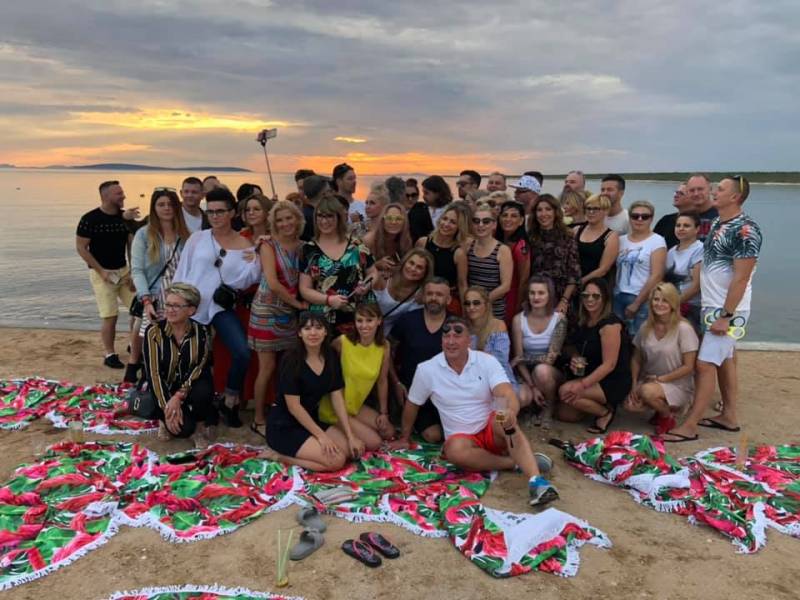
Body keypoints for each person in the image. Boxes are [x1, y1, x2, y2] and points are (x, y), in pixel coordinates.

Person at [393, 315, 559, 507]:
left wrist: (510, 412)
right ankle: (515, 462)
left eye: (457, 335)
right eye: (446, 336)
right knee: (453, 451)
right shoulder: (426, 370)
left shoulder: (486, 361)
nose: (451, 341)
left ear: (469, 340)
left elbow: (504, 392)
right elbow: (412, 404)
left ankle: (537, 482)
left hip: (491, 429)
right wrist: (404, 437)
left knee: (505, 420)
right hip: (462, 439)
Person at [664, 176, 762, 443]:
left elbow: (741, 278)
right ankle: (729, 415)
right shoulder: (720, 223)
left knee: (705, 364)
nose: (714, 192)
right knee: (725, 360)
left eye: (721, 189)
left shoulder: (746, 231)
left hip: (728, 311)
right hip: (711, 305)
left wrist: (726, 316)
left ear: (735, 197)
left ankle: (690, 425)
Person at [173, 187, 261, 427]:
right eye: (210, 212)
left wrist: (257, 259)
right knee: (192, 358)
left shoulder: (245, 245)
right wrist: (176, 305)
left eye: (220, 211)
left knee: (242, 352)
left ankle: (229, 400)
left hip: (220, 308)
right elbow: (181, 272)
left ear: (232, 212)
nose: (215, 216)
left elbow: (249, 279)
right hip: (192, 308)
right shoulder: (197, 238)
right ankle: (192, 402)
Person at [263, 312, 365, 471]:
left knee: (349, 451)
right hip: (284, 426)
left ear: (325, 332)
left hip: (310, 419)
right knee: (336, 461)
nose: (313, 333)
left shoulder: (331, 355)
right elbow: (294, 407)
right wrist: (322, 437)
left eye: (318, 328)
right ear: (299, 333)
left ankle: (315, 446)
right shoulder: (291, 360)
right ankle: (279, 456)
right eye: (307, 328)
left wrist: (350, 435)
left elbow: (337, 397)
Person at [248, 200, 308, 438]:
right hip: (267, 311)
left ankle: (286, 412)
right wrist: (298, 304)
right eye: (280, 220)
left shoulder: (304, 247)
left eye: (289, 218)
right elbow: (272, 283)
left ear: (298, 219)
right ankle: (258, 419)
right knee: (267, 367)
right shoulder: (268, 245)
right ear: (274, 223)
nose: (285, 224)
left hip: (289, 313)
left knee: (289, 366)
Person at [142, 283, 215, 447]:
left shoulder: (201, 332)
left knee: (204, 388)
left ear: (191, 310)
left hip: (188, 385)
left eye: (176, 306)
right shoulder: (153, 332)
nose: (170, 310)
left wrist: (178, 396)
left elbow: (198, 368)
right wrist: (168, 408)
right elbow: (154, 374)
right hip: (162, 386)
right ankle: (163, 420)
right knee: (183, 429)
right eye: (168, 304)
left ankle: (199, 428)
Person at [129, 187, 190, 382]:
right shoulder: (144, 234)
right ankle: (141, 372)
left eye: (170, 204)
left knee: (177, 339)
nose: (166, 208)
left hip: (180, 297)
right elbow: (137, 270)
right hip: (155, 295)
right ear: (154, 208)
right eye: (161, 204)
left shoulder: (186, 235)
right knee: (152, 339)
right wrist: (146, 300)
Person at [76, 180, 137, 369]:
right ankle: (110, 354)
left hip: (124, 271)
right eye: (119, 193)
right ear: (106, 196)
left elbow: (131, 246)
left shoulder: (124, 218)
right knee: (110, 315)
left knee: (138, 309)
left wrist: (133, 271)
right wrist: (101, 271)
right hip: (101, 273)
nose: (123, 196)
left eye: (122, 192)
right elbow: (81, 248)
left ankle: (133, 343)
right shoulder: (90, 219)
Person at [558, 278, 632, 433]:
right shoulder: (584, 320)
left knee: (566, 392)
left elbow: (609, 365)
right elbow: (572, 346)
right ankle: (596, 404)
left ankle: (605, 412)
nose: (590, 299)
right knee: (566, 415)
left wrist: (582, 385)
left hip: (612, 380)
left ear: (605, 298)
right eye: (586, 295)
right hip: (593, 374)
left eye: (595, 296)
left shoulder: (610, 325)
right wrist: (575, 356)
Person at [318, 303, 395, 449]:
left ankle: (353, 427)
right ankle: (333, 429)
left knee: (389, 432)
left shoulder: (384, 346)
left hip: (355, 405)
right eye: (360, 320)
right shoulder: (342, 342)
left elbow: (382, 381)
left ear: (379, 321)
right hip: (335, 407)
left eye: (369, 320)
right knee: (375, 442)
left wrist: (383, 412)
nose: (364, 325)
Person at [625, 283, 699, 435]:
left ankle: (666, 416)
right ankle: (659, 407)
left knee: (647, 392)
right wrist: (633, 384)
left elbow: (689, 366)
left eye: (665, 300)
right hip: (651, 380)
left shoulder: (684, 329)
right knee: (629, 405)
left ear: (673, 303)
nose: (659, 304)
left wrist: (660, 379)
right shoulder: (646, 327)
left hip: (677, 383)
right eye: (656, 299)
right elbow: (636, 358)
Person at [298, 193, 377, 335]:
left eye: (329, 216)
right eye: (320, 216)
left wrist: (366, 286)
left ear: (339, 218)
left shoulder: (356, 245)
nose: (324, 221)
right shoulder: (309, 250)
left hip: (360, 318)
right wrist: (328, 300)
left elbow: (373, 273)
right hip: (324, 321)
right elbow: (304, 289)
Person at [388, 278, 451, 443]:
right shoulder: (407, 320)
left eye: (439, 295)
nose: (433, 298)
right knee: (433, 435)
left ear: (448, 299)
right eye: (429, 293)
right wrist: (396, 382)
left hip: (446, 393)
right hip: (413, 393)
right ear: (423, 296)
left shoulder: (455, 325)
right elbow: (387, 350)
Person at [511, 276, 567, 429]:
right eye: (532, 293)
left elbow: (550, 359)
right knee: (522, 395)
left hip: (551, 372)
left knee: (542, 370)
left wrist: (523, 358)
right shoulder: (518, 319)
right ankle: (534, 405)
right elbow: (518, 358)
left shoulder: (559, 319)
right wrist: (532, 386)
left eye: (541, 293)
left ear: (549, 295)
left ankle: (549, 408)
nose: (536, 297)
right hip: (526, 373)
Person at [614, 200, 667, 335]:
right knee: (617, 336)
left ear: (651, 219)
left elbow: (657, 275)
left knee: (638, 339)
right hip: (618, 295)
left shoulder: (657, 241)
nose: (639, 219)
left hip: (641, 298)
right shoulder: (621, 240)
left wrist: (637, 303)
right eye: (635, 216)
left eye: (645, 216)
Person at [463, 286, 522, 399]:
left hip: (497, 377)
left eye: (476, 303)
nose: (471, 307)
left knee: (501, 402)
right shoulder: (462, 327)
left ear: (486, 304)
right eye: (467, 303)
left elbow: (499, 360)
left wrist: (471, 356)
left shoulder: (498, 325)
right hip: (471, 379)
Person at [527, 194, 580, 314]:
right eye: (539, 210)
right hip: (535, 297)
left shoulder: (567, 236)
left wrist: (564, 300)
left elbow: (574, 274)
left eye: (548, 209)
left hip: (561, 298)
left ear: (555, 212)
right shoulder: (530, 237)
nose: (543, 214)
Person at [461, 203, 513, 320]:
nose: (480, 225)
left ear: (494, 224)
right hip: (471, 308)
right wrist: (469, 303)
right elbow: (463, 281)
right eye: (476, 221)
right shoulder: (468, 245)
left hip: (493, 309)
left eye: (486, 221)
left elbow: (505, 286)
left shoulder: (503, 250)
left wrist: (481, 302)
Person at [415, 204, 469, 315]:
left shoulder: (458, 254)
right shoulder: (423, 242)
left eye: (453, 222)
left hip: (444, 302)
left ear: (459, 227)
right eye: (445, 219)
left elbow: (462, 284)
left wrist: (465, 313)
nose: (446, 224)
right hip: (418, 297)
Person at [372, 248, 432, 335]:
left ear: (425, 273)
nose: (413, 268)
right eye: (411, 263)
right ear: (404, 262)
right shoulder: (386, 274)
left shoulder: (420, 295)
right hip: (361, 324)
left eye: (419, 267)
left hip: (383, 335)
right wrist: (376, 265)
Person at [665, 213, 703, 330]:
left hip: (692, 307)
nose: (681, 228)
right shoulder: (671, 251)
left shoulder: (700, 249)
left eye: (686, 226)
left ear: (697, 229)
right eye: (678, 225)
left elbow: (696, 286)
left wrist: (674, 303)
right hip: (670, 305)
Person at [495, 201, 530, 329]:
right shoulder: (496, 239)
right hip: (495, 294)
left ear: (521, 221)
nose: (508, 219)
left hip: (511, 298)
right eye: (505, 215)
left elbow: (524, 280)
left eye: (514, 216)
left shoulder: (521, 246)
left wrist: (517, 308)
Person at [576, 194, 619, 287]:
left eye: (596, 209)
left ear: (606, 211)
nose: (591, 212)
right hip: (573, 281)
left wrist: (581, 282)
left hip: (596, 285)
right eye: (588, 208)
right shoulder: (576, 230)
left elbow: (603, 269)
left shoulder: (611, 236)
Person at [363, 203, 413, 279]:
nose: (393, 222)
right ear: (382, 221)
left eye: (398, 219)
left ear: (404, 222)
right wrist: (377, 265)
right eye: (389, 218)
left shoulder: (406, 240)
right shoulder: (369, 240)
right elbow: (358, 270)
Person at [408, 175, 452, 243]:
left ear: (438, 193)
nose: (423, 196)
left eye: (426, 193)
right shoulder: (418, 209)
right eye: (423, 192)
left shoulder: (450, 211)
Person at [653, 184, 691, 248]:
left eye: (681, 193)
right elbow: (652, 242)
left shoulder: (697, 220)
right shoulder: (666, 220)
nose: (676, 196)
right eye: (676, 192)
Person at [331, 162, 365, 230]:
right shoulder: (331, 206)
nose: (354, 182)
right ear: (339, 181)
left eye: (354, 178)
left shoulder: (363, 206)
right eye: (350, 179)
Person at [686, 173, 719, 242]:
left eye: (700, 189)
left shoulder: (721, 216)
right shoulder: (685, 217)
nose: (696, 194)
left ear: (710, 189)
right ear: (687, 193)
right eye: (692, 190)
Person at [300, 174, 330, 242]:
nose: (331, 195)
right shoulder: (316, 217)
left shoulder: (302, 214)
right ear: (323, 194)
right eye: (329, 191)